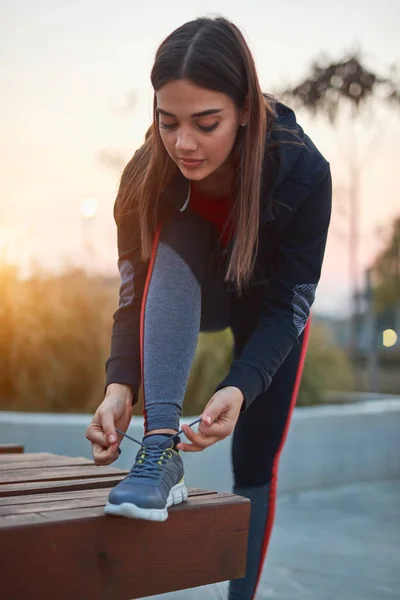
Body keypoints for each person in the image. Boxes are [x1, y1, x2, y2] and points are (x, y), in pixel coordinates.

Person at [85, 15, 332, 600]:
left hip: (266, 309)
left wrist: (242, 386)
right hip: (183, 288)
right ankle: (161, 451)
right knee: (182, 234)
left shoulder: (302, 172)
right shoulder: (146, 178)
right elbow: (132, 293)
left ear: (245, 108)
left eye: (206, 123)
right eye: (167, 123)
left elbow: (292, 303)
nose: (184, 144)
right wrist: (120, 384)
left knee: (255, 464)